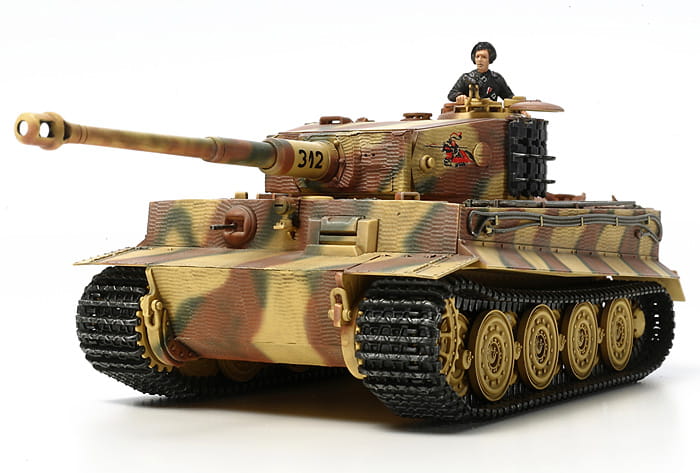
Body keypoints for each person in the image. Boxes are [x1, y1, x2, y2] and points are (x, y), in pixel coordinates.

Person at [448, 42, 513, 103]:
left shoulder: (496, 79)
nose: (480, 60)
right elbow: (451, 94)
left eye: (484, 57)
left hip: (491, 110)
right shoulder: (466, 77)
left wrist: (517, 106)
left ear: (490, 59)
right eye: (477, 56)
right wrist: (459, 96)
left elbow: (509, 97)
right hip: (471, 110)